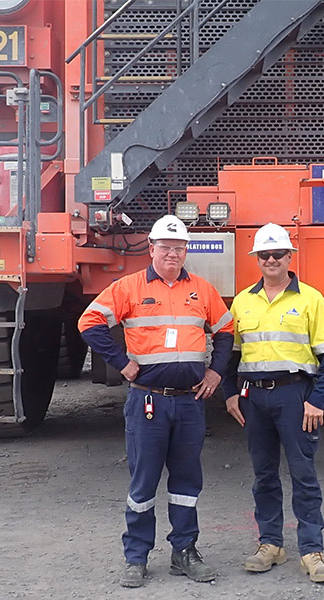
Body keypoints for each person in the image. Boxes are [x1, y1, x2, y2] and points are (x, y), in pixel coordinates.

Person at [78, 215, 233, 588]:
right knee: (143, 482)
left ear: (185, 252)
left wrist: (216, 373)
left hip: (189, 403)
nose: (172, 254)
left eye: (179, 248)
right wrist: (120, 363)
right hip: (148, 402)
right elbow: (89, 323)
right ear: (151, 249)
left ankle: (184, 551)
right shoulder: (129, 287)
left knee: (186, 480)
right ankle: (137, 557)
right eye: (165, 247)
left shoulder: (202, 289)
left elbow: (226, 331)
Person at [221, 223, 324, 583]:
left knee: (303, 474)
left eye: (278, 254)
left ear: (290, 257)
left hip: (296, 395)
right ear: (256, 259)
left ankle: (312, 550)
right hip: (254, 397)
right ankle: (270, 544)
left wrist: (318, 401)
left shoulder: (310, 298)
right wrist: (230, 393)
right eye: (264, 255)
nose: (271, 260)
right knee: (263, 475)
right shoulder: (243, 301)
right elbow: (230, 355)